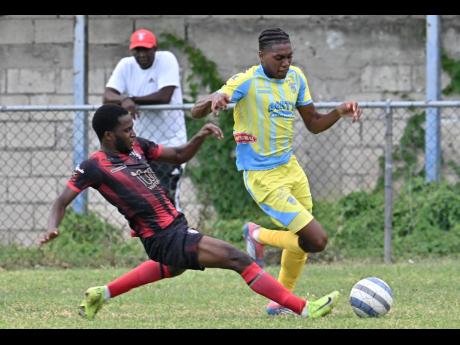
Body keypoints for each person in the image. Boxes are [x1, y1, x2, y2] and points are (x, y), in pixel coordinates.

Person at [39, 104, 339, 321]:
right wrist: (53, 227)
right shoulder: (94, 165)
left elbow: (178, 155)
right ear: (107, 135)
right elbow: (61, 201)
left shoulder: (137, 148)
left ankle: (100, 294)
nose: (133, 133)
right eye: (126, 130)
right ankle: (303, 308)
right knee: (239, 258)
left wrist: (200, 135)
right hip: (162, 236)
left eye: (132, 128)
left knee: (171, 267)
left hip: (174, 228)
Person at [191, 28, 362, 315]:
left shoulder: (295, 78)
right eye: (278, 58)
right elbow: (199, 109)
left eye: (289, 57)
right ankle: (257, 236)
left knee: (304, 240)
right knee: (315, 240)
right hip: (262, 177)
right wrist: (212, 100)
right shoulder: (246, 80)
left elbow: (314, 124)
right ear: (261, 57)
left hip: (290, 169)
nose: (285, 63)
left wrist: (339, 112)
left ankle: (280, 301)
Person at [103, 28, 186, 209]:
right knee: (146, 200)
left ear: (154, 49)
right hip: (142, 146)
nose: (142, 55)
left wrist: (132, 100)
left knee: (167, 196)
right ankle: (159, 236)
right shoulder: (126, 65)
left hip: (169, 144)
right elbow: (108, 95)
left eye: (146, 50)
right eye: (137, 50)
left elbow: (165, 95)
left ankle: (181, 234)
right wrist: (123, 100)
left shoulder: (167, 60)